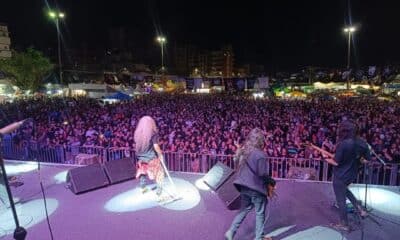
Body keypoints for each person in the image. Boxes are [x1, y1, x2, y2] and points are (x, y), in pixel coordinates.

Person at [225, 128, 272, 240]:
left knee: (244, 209)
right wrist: (271, 183)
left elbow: (237, 163)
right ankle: (259, 238)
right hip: (256, 187)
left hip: (244, 186)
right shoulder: (261, 155)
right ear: (261, 140)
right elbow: (262, 174)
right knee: (260, 213)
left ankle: (231, 232)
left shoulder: (245, 151)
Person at [331, 120, 371, 231]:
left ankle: (344, 224)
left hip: (340, 176)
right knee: (345, 191)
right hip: (352, 175)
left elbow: (336, 162)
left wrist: (325, 159)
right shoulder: (363, 143)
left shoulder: (344, 144)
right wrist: (359, 159)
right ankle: (360, 209)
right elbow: (367, 159)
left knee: (341, 200)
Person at [134, 116, 165, 198]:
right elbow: (156, 146)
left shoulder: (138, 133)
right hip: (151, 158)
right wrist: (160, 154)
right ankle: (159, 194)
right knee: (159, 174)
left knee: (143, 172)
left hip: (141, 158)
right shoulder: (153, 133)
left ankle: (143, 188)